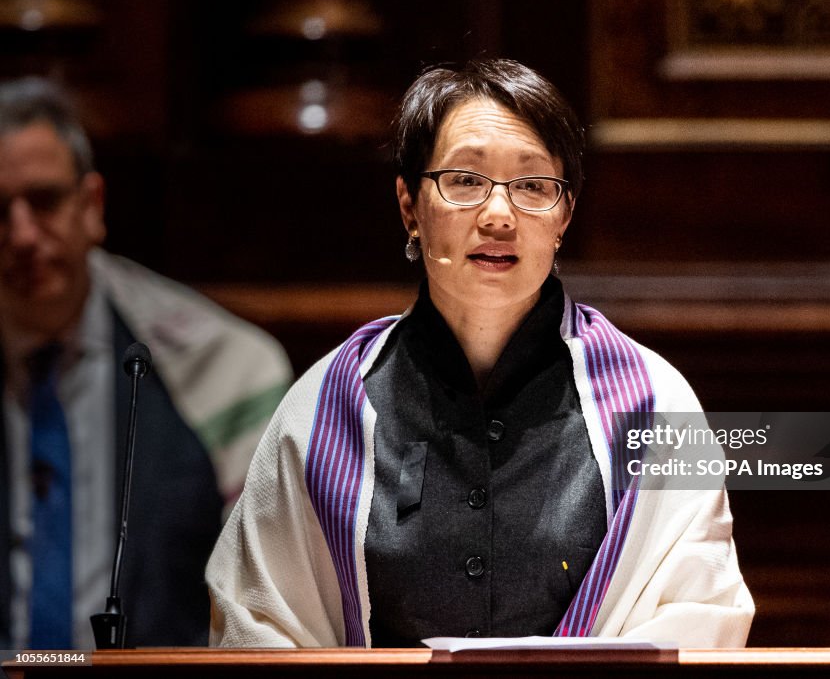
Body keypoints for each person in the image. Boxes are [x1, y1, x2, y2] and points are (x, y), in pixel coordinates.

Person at [206, 58, 754, 648]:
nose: (498, 215)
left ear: (564, 216)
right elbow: (258, 627)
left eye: (533, 186)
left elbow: (700, 615)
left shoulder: (653, 401)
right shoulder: (325, 406)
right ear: (409, 207)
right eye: (465, 180)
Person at [0, 77, 293, 649]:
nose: (23, 234)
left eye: (44, 200)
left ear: (92, 206)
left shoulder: (226, 367)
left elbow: (260, 613)